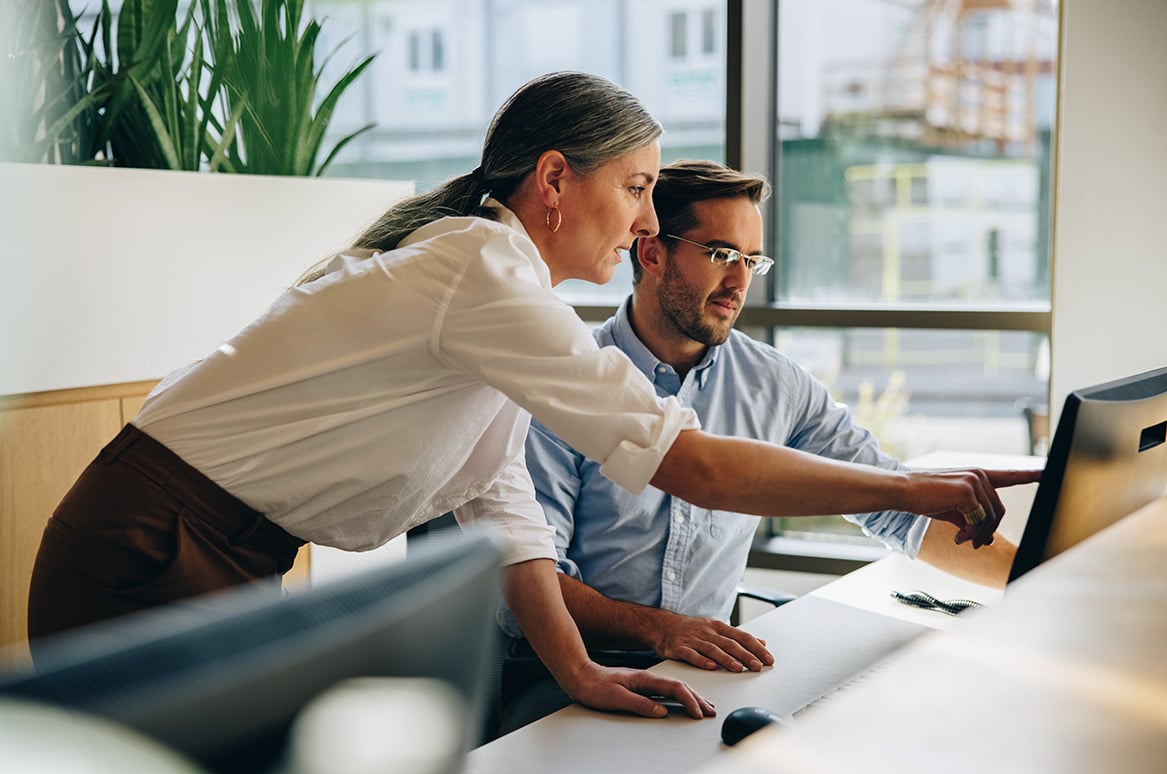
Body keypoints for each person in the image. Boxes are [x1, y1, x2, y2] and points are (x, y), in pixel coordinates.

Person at [26, 72, 1035, 725]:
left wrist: (582, 674)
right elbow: (689, 464)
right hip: (150, 539)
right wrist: (919, 491)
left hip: (215, 543)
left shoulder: (504, 300)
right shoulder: (483, 274)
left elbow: (500, 505)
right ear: (556, 179)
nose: (645, 218)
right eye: (636, 187)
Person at [497, 159, 1027, 729]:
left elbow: (897, 509)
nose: (740, 282)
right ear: (651, 252)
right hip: (567, 673)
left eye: (752, 261)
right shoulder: (566, 379)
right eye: (723, 255)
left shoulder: (775, 384)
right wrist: (663, 628)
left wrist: (1034, 585)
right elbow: (532, 575)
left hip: (706, 672)